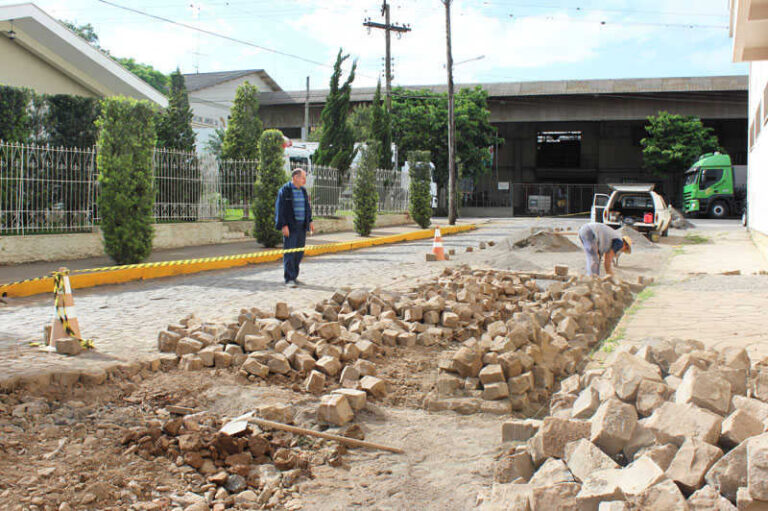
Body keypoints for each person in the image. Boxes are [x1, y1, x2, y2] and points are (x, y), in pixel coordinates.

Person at [275, 168, 314, 287]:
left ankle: (295, 276)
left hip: (301, 226)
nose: (304, 180)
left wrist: (310, 221)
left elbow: (307, 207)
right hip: (290, 227)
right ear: (295, 177)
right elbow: (280, 209)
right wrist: (283, 225)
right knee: (290, 253)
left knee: (299, 253)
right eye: (303, 177)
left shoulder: (303, 191)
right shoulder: (285, 191)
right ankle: (289, 278)